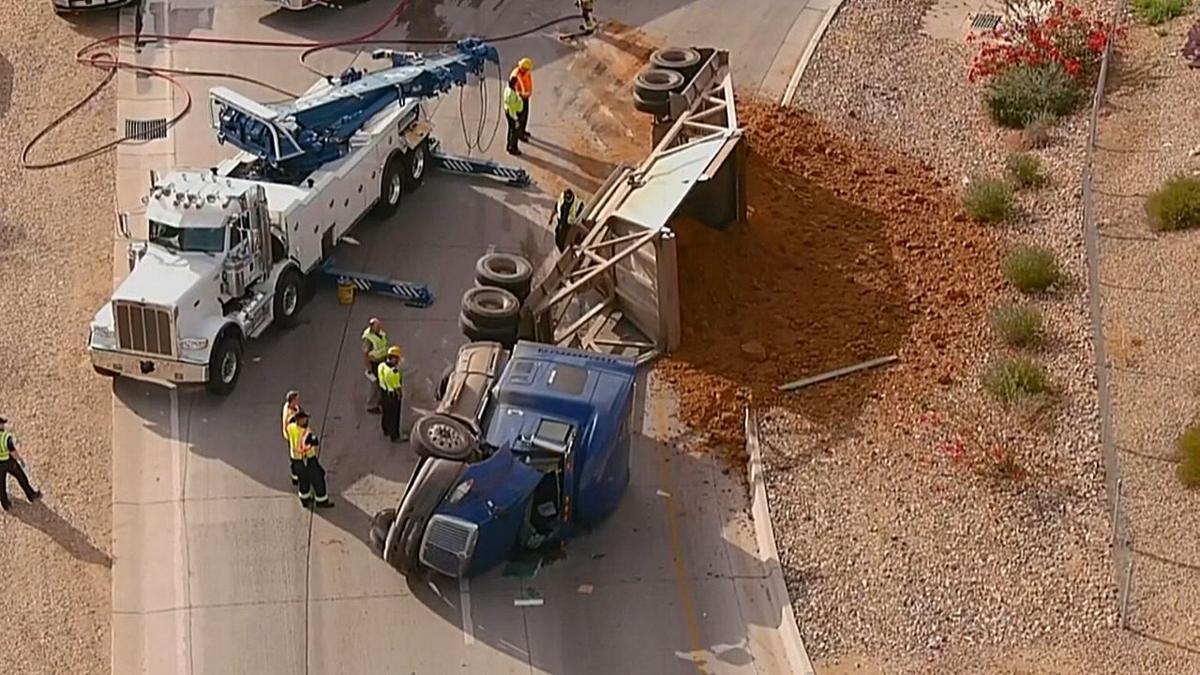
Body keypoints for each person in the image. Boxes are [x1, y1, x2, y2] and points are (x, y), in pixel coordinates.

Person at [0, 418, 42, 512]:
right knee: (21, 477)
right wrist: (19, 459)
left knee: (1, 485)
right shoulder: (6, 437)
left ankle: (5, 504)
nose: (3, 426)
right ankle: (31, 495)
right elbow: (13, 452)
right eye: (2, 424)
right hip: (9, 462)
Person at [293, 411, 332, 509]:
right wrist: (312, 442)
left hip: (297, 459)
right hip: (308, 459)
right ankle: (321, 500)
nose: (307, 420)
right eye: (305, 419)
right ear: (300, 420)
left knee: (303, 480)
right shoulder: (305, 433)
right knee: (318, 478)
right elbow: (313, 443)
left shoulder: (292, 428)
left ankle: (304, 499)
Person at [377, 346, 404, 442]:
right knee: (394, 416)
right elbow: (397, 388)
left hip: (383, 392)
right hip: (392, 396)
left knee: (386, 413)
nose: (398, 361)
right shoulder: (394, 372)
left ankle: (386, 429)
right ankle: (395, 436)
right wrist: (400, 396)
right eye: (397, 359)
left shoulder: (381, 366)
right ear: (393, 358)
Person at [361, 318, 388, 414]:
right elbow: (365, 355)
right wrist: (369, 369)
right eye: (377, 326)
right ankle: (371, 405)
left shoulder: (380, 333)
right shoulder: (368, 339)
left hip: (382, 361)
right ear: (372, 327)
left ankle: (379, 400)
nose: (379, 328)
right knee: (374, 385)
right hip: (374, 364)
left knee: (382, 382)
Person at [282, 390, 303, 485]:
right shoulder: (290, 416)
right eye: (297, 399)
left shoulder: (289, 406)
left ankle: (295, 476)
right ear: (292, 401)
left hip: (293, 437)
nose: (298, 401)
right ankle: (296, 478)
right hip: (294, 440)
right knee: (296, 460)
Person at [510, 57, 533, 141]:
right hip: (519, 99)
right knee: (520, 117)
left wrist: (529, 92)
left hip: (525, 97)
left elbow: (529, 81)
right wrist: (522, 94)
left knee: (525, 115)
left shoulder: (526, 72)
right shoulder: (516, 75)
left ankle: (522, 131)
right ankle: (520, 134)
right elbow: (514, 88)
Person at [503, 76, 525, 156]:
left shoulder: (508, 89)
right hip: (513, 114)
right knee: (514, 132)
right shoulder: (511, 94)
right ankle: (513, 148)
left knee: (511, 130)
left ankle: (509, 145)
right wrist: (516, 119)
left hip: (510, 112)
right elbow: (512, 108)